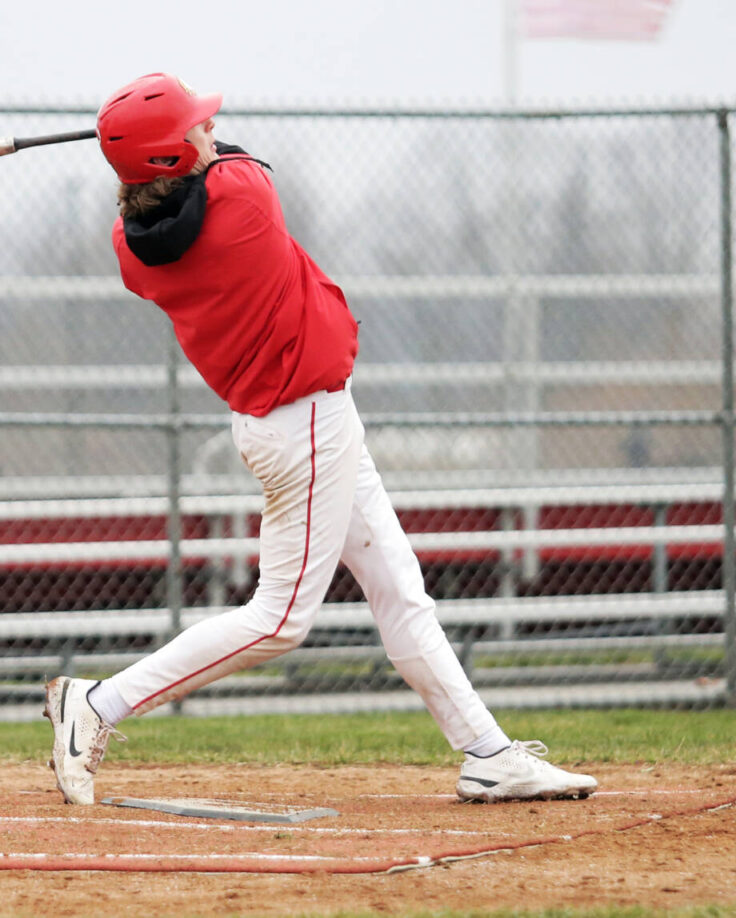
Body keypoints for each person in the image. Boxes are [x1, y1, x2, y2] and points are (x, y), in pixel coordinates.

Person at [44, 73, 597, 807]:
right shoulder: (243, 194)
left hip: (299, 419)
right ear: (173, 157)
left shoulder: (129, 248)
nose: (212, 129)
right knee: (279, 621)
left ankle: (489, 754)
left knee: (400, 589)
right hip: (303, 423)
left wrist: (146, 160)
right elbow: (230, 162)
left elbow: (179, 189)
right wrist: (170, 151)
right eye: (197, 127)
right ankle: (100, 702)